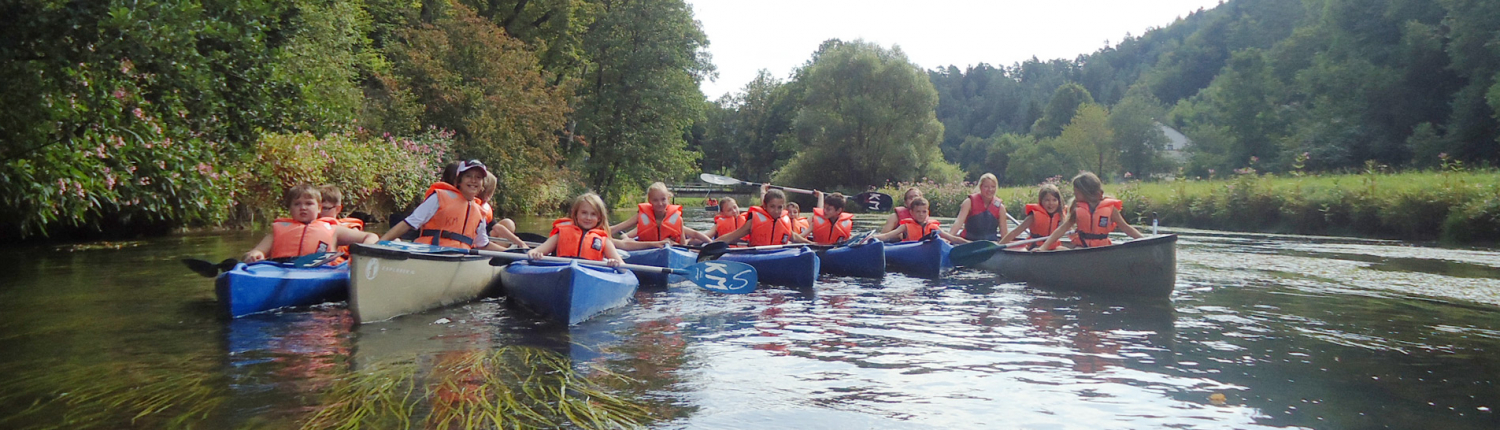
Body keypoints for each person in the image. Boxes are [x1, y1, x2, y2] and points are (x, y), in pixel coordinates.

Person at [380, 160, 508, 250]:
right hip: (431, 253)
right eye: (468, 176)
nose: (474, 180)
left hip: (459, 256)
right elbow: (409, 223)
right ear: (459, 181)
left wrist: (511, 253)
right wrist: (381, 243)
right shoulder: (439, 197)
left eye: (478, 177)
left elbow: (483, 244)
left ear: (482, 184)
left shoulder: (479, 212)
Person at [243, 184, 377, 263]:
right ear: (290, 208)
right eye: (297, 204)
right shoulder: (278, 230)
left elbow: (370, 237)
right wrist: (254, 255)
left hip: (321, 272)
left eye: (309, 203)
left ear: (319, 208)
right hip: (283, 271)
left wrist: (364, 252)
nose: (303, 208)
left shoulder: (334, 229)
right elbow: (257, 251)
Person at [1037, 172, 1144, 251]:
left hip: (1103, 248)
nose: (1075, 195)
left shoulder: (1110, 209)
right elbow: (1062, 229)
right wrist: (1043, 247)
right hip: (1082, 248)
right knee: (1071, 251)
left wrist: (1144, 241)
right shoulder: (1077, 208)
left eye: (1076, 192)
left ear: (1086, 192)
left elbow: (1125, 227)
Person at [528, 193, 626, 266]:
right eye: (584, 213)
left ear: (599, 218)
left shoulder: (603, 240)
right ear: (575, 214)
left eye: (593, 214)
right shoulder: (561, 233)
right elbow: (533, 252)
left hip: (591, 272)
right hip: (561, 268)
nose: (588, 217)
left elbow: (623, 267)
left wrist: (614, 263)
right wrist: (536, 255)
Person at [609, 182, 712, 245]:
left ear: (668, 199)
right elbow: (618, 228)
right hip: (647, 248)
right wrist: (597, 231)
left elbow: (683, 244)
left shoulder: (677, 220)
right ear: (649, 201)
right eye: (655, 200)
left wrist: (711, 243)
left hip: (671, 247)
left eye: (663, 199)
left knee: (693, 239)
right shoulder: (641, 217)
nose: (660, 203)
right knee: (626, 238)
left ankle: (695, 242)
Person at [714, 187, 814, 246]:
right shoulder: (754, 221)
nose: (776, 211)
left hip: (778, 254)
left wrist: (812, 244)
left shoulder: (784, 221)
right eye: (772, 207)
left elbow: (795, 237)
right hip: (758, 254)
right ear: (765, 206)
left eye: (780, 207)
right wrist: (712, 244)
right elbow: (732, 236)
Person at [872, 197, 969, 244]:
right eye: (918, 211)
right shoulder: (905, 226)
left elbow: (952, 238)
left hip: (927, 251)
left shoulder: (933, 227)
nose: (921, 214)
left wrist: (969, 244)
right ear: (912, 212)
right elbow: (886, 236)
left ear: (928, 212)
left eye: (924, 211)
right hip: (911, 250)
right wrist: (870, 238)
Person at [998, 183, 1065, 250]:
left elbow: (1071, 233)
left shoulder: (1061, 215)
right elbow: (1014, 233)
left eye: (1054, 200)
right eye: (1047, 200)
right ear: (1041, 201)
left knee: (1064, 250)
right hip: (1036, 247)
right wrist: (999, 245)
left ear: (1059, 201)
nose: (1051, 203)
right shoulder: (1034, 216)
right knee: (1038, 251)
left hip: (1053, 247)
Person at [949, 173, 1008, 242]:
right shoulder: (969, 202)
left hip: (990, 245)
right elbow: (958, 223)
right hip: (968, 243)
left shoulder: (1000, 208)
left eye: (993, 187)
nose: (990, 190)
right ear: (980, 187)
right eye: (986, 187)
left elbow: (1004, 235)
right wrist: (949, 238)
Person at [477, 171, 528, 249]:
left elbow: (496, 227)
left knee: (508, 223)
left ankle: (497, 254)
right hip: (475, 243)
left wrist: (520, 242)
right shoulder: (471, 206)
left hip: (483, 237)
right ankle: (499, 255)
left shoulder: (483, 207)